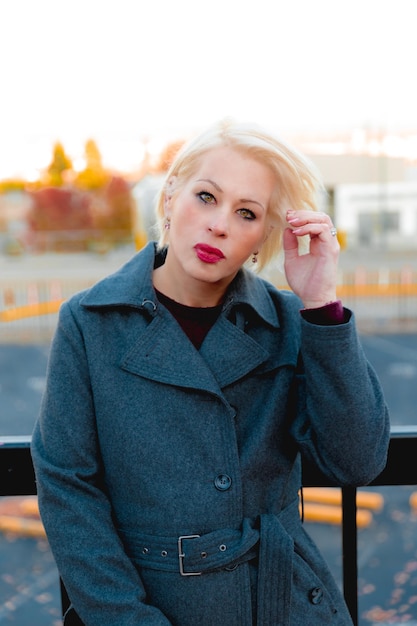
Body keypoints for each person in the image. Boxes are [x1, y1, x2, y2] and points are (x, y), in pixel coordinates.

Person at [31, 119, 390, 626]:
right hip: (148, 605)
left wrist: (321, 304)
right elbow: (68, 486)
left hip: (280, 604)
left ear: (262, 237)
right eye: (206, 196)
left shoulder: (289, 323)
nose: (219, 224)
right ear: (172, 195)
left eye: (246, 213)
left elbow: (357, 462)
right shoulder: (90, 323)